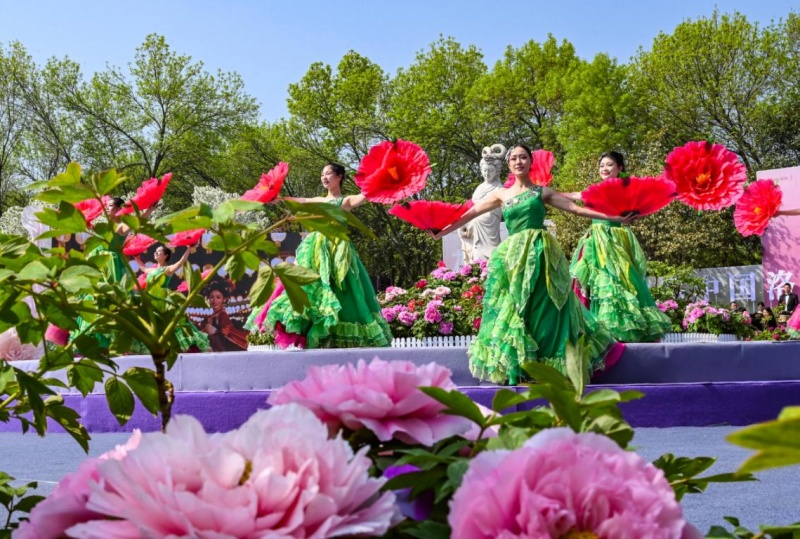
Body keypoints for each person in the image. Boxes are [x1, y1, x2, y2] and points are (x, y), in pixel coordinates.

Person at [433, 145, 628, 385]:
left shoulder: (541, 192)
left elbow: (576, 210)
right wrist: (441, 231)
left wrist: (615, 218)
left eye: (523, 157)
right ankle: (521, 365)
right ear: (509, 164)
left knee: (547, 307)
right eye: (514, 158)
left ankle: (549, 365)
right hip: (513, 258)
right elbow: (469, 214)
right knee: (516, 306)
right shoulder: (500, 195)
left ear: (530, 162)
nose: (518, 161)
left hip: (542, 255)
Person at [248, 162, 392, 349]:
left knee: (343, 290)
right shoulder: (319, 200)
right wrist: (280, 198)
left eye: (328, 173)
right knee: (310, 287)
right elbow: (302, 201)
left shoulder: (345, 201)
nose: (324, 177)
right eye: (322, 174)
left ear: (339, 176)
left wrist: (382, 179)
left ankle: (334, 329)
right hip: (314, 250)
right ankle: (309, 325)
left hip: (338, 250)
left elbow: (365, 195)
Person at [564, 152, 671, 343]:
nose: (604, 169)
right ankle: (594, 330)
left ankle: (621, 329)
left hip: (615, 241)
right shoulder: (593, 189)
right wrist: (542, 192)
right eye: (602, 165)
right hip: (594, 242)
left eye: (609, 165)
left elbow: (641, 203)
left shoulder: (626, 189)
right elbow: (572, 196)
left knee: (618, 282)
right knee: (593, 282)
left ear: (620, 168)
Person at [134, 244, 210, 353]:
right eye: (155, 251)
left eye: (159, 251)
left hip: (163, 300)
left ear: (165, 255)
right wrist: (137, 258)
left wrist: (189, 248)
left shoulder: (168, 269)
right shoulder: (152, 270)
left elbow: (181, 262)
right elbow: (143, 268)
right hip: (151, 300)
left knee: (171, 322)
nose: (155, 253)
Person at [459, 144, 506, 263]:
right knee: (477, 260)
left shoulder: (499, 188)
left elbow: (494, 210)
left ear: (496, 172)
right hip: (475, 231)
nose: (487, 173)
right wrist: (467, 223)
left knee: (492, 259)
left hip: (489, 230)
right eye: (484, 170)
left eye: (490, 170)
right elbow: (472, 209)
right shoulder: (479, 188)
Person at [198, 279, 249, 352]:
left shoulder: (222, 315)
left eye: (218, 297)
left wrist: (215, 332)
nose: (214, 301)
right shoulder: (209, 317)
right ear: (208, 299)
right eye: (211, 297)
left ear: (224, 299)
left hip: (221, 350)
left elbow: (226, 334)